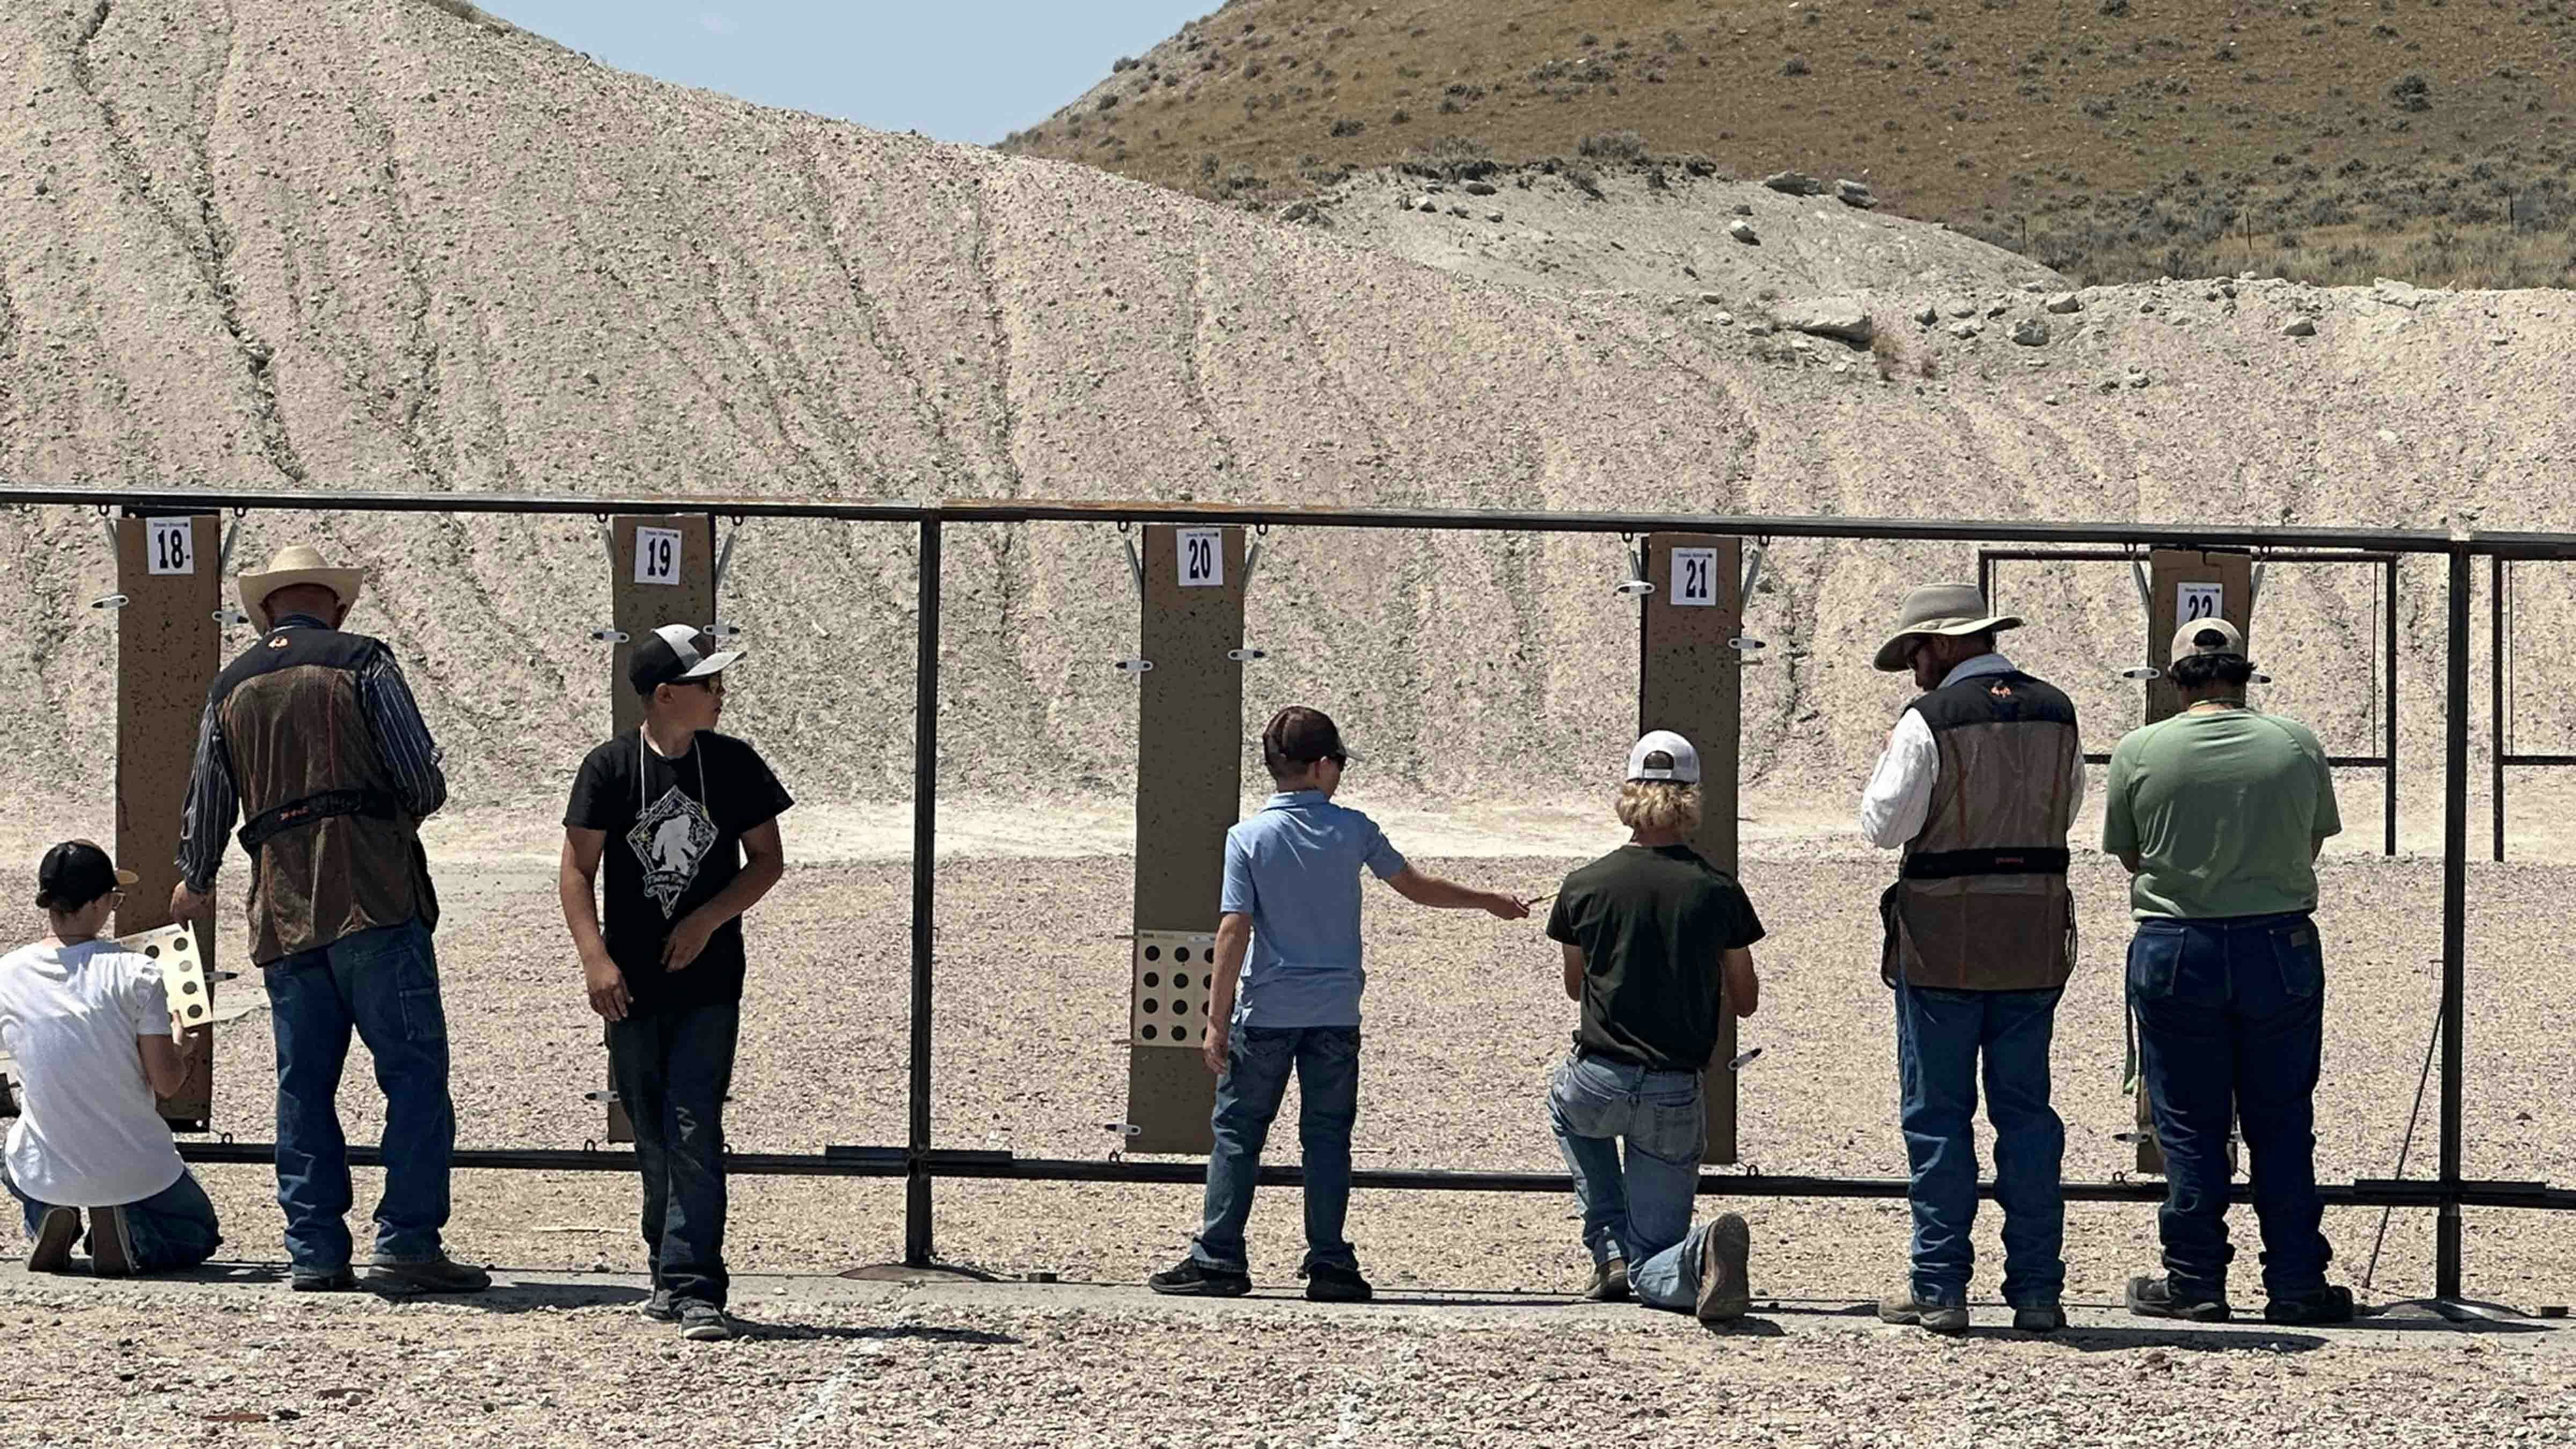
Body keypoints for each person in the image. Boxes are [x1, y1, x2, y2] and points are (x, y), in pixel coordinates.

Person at [171, 543, 485, 1295]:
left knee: (303, 1084)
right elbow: (421, 780)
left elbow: (206, 804)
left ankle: (314, 1248)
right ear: (334, 606)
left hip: (282, 909)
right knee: (412, 1075)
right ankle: (406, 1241)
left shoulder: (230, 688)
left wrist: (198, 875)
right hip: (374, 897)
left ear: (266, 610)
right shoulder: (364, 660)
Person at [1148, 706, 1529, 1302]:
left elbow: (1234, 930)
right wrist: (1487, 900)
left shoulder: (1247, 838)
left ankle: (1220, 1256)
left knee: (1239, 1133)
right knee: (1327, 1138)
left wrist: (1215, 1019)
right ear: (1323, 767)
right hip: (1335, 1014)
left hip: (1268, 1011)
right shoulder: (1353, 829)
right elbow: (1417, 888)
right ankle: (1329, 1262)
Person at [2105, 619, 2352, 1326]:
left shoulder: (2140, 750)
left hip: (2177, 943)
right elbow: (2311, 842)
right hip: (2278, 941)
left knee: (2187, 1123)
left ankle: (2195, 1279)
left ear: (2176, 676)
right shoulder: (2296, 743)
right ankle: (2297, 1282)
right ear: (2246, 673)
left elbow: (2129, 855)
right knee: (2282, 1118)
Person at [1860, 583, 2082, 1335]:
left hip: (1943, 937)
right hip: (2034, 936)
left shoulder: (1928, 720)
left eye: (1918, 650)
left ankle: (1941, 1286)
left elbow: (1884, 827)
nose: (1914, 665)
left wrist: (1892, 754)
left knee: (1939, 1116)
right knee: (2026, 1116)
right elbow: (2071, 805)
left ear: (1946, 644)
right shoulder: (2058, 710)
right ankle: (2037, 1291)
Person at [561, 625, 791, 1342]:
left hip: (710, 983)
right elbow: (576, 871)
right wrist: (595, 960)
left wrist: (707, 922)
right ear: (667, 695)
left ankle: (698, 1287)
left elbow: (766, 862)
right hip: (630, 985)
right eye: (709, 684)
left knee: (696, 1122)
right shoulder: (607, 769)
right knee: (652, 1128)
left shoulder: (734, 765)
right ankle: (665, 1265)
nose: (722, 696)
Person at [1543, 731, 1762, 1324]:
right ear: (1692, 800)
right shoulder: (1718, 890)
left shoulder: (1584, 885)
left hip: (1599, 1078)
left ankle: (1609, 1248)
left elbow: (1575, 985)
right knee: (1656, 1261)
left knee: (1564, 1105)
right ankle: (1695, 1253)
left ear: (1629, 796)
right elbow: (1745, 1001)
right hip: (1672, 1087)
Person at [1, 841, 224, 1276]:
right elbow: (166, 1083)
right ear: (100, 902)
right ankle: (128, 1240)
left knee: (18, 1157)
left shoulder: (7, 973)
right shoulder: (137, 971)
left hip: (46, 1158)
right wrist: (181, 1049)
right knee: (199, 1232)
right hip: (132, 1162)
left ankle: (50, 1216)